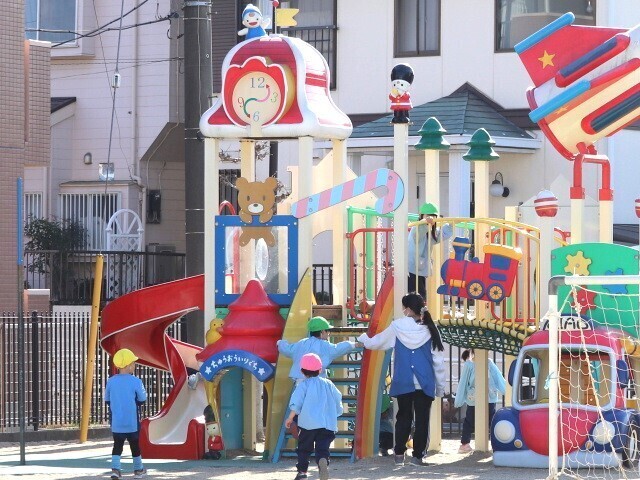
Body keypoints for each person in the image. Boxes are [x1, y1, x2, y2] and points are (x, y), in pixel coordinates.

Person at [357, 293, 446, 467]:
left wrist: (363, 339)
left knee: (403, 417)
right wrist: (440, 387)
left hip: (403, 380)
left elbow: (377, 342)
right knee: (422, 420)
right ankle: (418, 456)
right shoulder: (431, 328)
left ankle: (399, 454)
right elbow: (438, 361)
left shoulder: (397, 326)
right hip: (425, 382)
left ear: (408, 309)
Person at [285, 353, 343, 480]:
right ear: (320, 370)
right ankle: (322, 460)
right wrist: (337, 412)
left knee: (304, 448)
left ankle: (302, 472)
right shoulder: (328, 384)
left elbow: (296, 403)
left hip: (308, 424)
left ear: (302, 371)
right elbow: (337, 398)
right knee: (323, 447)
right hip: (327, 424)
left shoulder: (303, 385)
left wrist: (290, 418)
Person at [105, 348, 148, 479]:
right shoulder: (136, 381)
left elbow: (107, 399)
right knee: (135, 446)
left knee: (117, 446)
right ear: (129, 365)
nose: (134, 365)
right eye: (133, 363)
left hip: (117, 422)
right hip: (132, 422)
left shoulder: (111, 381)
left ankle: (115, 470)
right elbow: (142, 398)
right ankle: (138, 470)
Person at [454, 348, 506, 454]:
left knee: (488, 420)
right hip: (477, 397)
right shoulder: (470, 365)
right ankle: (465, 444)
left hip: (487, 397)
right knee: (471, 420)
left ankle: (492, 444)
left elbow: (497, 376)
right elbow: (463, 382)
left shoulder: (489, 362)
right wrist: (459, 399)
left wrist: (505, 389)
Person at [277, 316, 358, 384]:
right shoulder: (325, 345)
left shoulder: (302, 343)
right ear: (322, 332)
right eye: (328, 331)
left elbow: (287, 349)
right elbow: (338, 348)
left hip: (299, 379)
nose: (328, 334)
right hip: (316, 380)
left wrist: (280, 343)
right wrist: (354, 344)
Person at [407, 203, 451, 299]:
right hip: (411, 269)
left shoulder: (431, 233)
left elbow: (441, 234)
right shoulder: (417, 228)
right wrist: (425, 222)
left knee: (420, 295)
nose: (432, 218)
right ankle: (416, 313)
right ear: (421, 216)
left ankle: (417, 312)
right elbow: (419, 231)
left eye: (434, 216)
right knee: (418, 296)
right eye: (428, 216)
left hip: (419, 269)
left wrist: (450, 225)